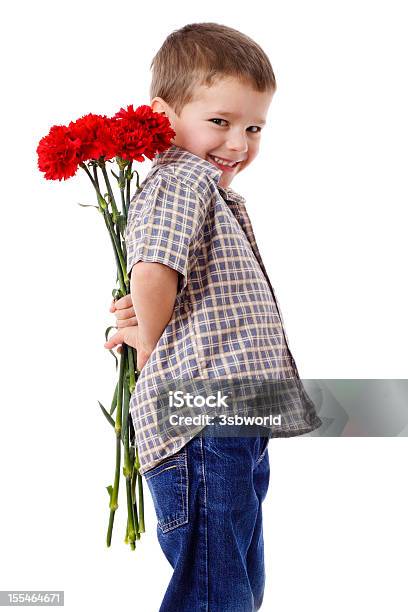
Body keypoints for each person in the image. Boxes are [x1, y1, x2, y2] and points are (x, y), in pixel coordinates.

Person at [104, 22, 322, 611]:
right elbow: (153, 271)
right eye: (220, 122)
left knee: (236, 575)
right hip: (199, 416)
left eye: (254, 127)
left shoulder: (212, 192)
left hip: (233, 413)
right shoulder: (180, 182)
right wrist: (150, 347)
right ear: (165, 115)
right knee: (213, 581)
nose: (239, 143)